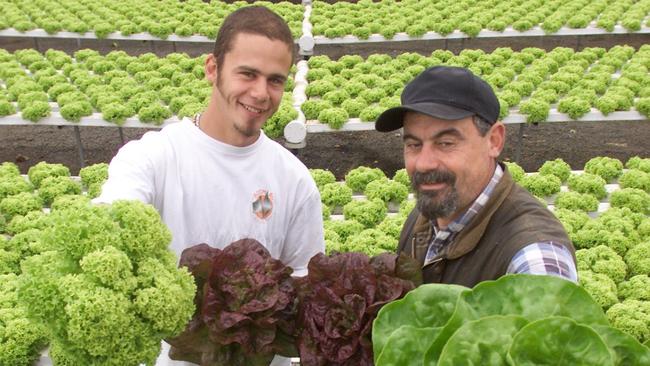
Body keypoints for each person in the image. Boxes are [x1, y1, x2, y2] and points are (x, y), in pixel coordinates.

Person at [95, 6, 324, 366]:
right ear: (212, 69)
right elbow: (110, 223)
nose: (261, 93)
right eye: (247, 74)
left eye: (276, 80)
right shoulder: (153, 158)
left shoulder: (294, 179)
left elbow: (304, 279)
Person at [374, 65, 577, 287]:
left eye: (445, 143)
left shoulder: (533, 258)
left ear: (494, 141)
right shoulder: (427, 215)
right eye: (414, 144)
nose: (423, 164)